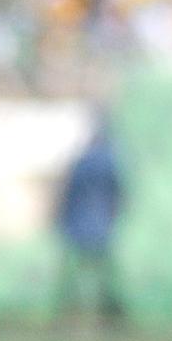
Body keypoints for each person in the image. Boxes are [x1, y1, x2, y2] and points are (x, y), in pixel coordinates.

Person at [55, 119, 125, 329]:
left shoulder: (81, 162)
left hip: (77, 225)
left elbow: (67, 194)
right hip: (101, 225)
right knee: (103, 275)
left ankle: (68, 316)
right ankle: (113, 317)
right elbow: (118, 194)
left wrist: (61, 219)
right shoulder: (109, 161)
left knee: (74, 276)